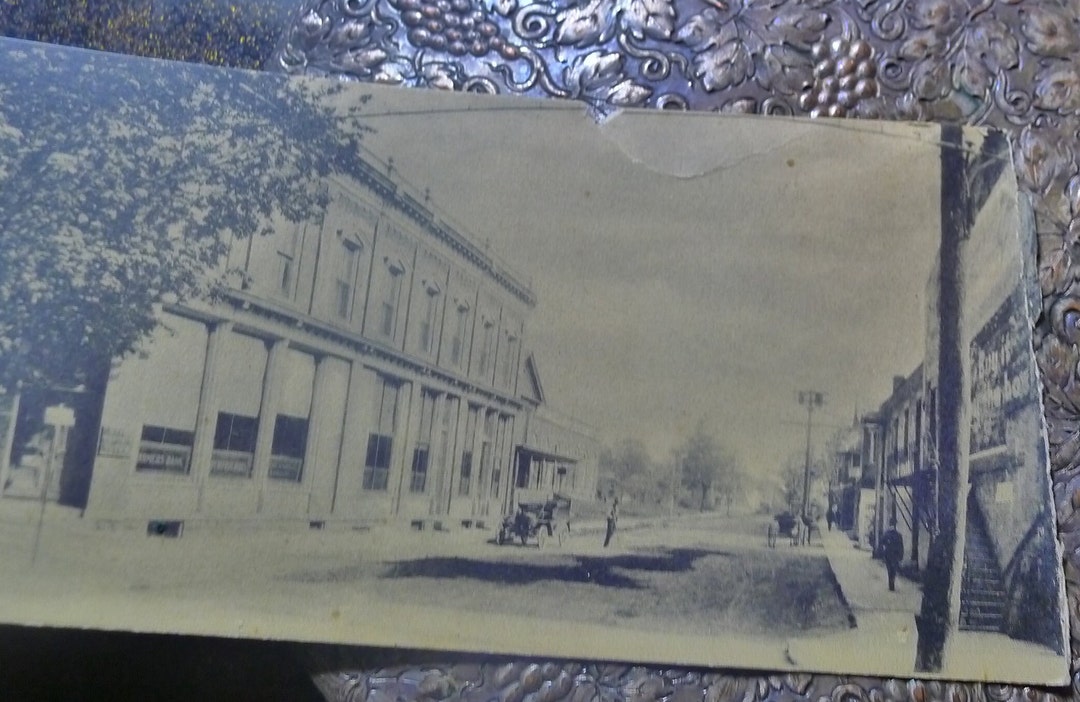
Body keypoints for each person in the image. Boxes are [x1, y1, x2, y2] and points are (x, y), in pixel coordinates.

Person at [881, 519, 904, 591]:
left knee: (889, 569)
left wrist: (884, 552)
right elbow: (901, 546)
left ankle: (891, 583)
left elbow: (882, 543)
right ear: (895, 525)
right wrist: (901, 556)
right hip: (895, 555)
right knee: (893, 570)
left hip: (888, 554)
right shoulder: (898, 535)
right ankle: (892, 583)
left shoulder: (886, 534)